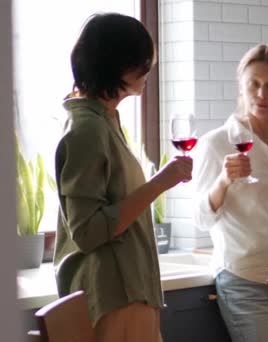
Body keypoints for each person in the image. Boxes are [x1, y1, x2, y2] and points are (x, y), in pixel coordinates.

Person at [54, 13, 192, 341]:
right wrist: (160, 183)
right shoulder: (87, 131)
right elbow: (87, 231)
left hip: (125, 291)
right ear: (119, 65)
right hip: (113, 294)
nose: (149, 68)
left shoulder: (104, 121)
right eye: (143, 61)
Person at [192, 43, 268, 342]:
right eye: (254, 85)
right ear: (242, 87)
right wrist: (223, 180)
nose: (262, 94)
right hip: (248, 278)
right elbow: (200, 218)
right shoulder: (216, 144)